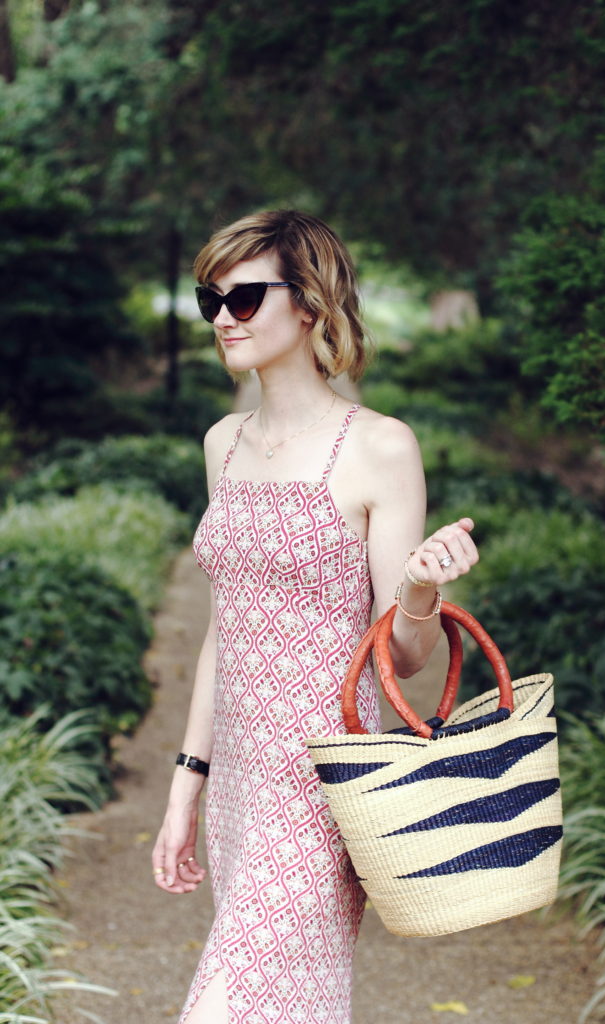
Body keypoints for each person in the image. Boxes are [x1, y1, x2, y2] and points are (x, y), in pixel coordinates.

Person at [152, 210, 479, 1024]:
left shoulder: (379, 447)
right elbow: (225, 632)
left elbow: (402, 660)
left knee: (222, 1011)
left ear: (308, 303)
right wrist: (184, 788)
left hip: (323, 781)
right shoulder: (220, 443)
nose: (223, 318)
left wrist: (419, 591)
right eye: (210, 301)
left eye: (245, 298)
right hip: (237, 786)